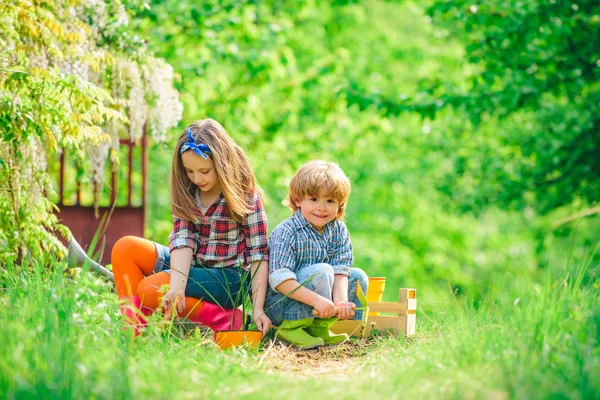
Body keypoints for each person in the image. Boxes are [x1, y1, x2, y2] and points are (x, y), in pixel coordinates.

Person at [111, 118, 272, 337]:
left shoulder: (246, 197)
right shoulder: (188, 193)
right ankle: (135, 334)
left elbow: (258, 255)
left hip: (230, 279)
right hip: (195, 265)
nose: (197, 178)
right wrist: (176, 287)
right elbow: (182, 240)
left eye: (205, 171)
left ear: (222, 163)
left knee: (150, 289)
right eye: (189, 171)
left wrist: (258, 308)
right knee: (125, 248)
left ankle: (226, 318)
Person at [264, 160, 368, 349]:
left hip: (317, 305)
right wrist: (318, 301)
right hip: (281, 306)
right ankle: (290, 329)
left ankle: (319, 327)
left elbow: (340, 271)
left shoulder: (338, 229)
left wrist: (341, 301)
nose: (321, 207)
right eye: (314, 199)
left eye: (330, 201)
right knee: (322, 270)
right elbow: (280, 281)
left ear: (340, 205)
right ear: (297, 200)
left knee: (357, 276)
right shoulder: (287, 232)